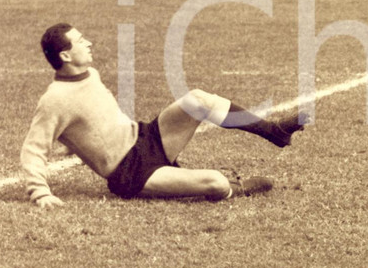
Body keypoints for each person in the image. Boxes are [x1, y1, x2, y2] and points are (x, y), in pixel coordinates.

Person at [21, 24, 308, 208]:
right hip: (132, 173)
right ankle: (236, 187)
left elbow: (90, 119)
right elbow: (33, 149)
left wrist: (75, 144)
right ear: (66, 56)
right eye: (80, 41)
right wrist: (41, 193)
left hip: (145, 137)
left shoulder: (89, 74)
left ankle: (274, 131)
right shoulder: (54, 99)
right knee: (216, 183)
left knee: (197, 100)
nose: (89, 43)